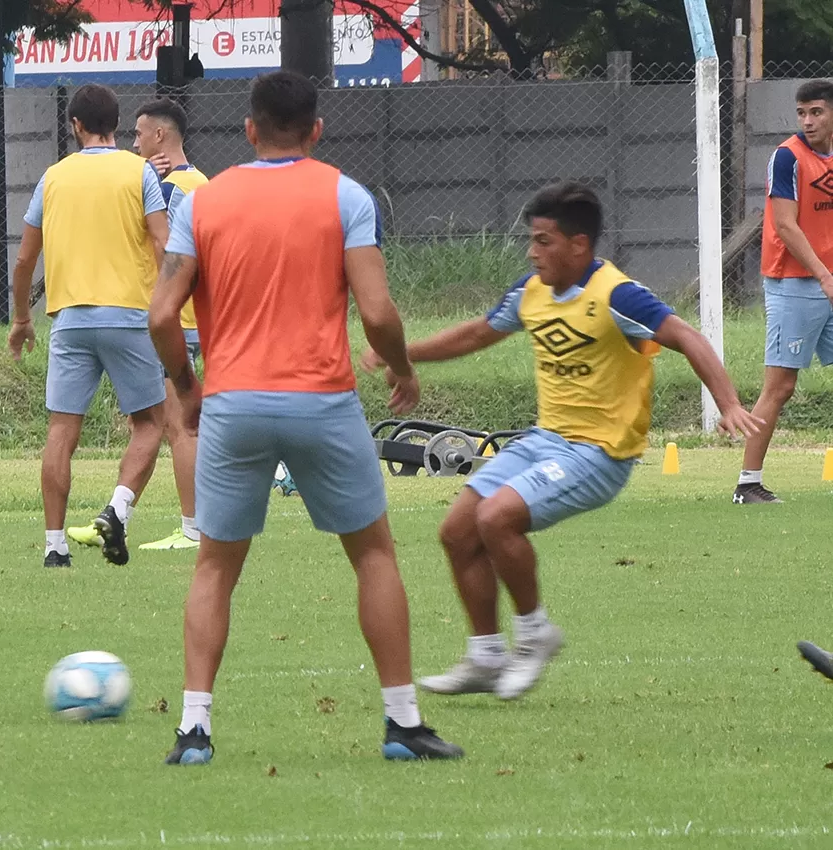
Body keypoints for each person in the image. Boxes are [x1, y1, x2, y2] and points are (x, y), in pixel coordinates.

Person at [150, 70, 464, 764]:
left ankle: (194, 728)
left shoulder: (203, 203)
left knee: (213, 568)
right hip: (323, 400)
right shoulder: (344, 195)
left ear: (249, 129)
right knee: (374, 555)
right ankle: (402, 723)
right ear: (316, 130)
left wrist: (186, 385)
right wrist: (404, 368)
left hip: (233, 404)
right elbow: (378, 312)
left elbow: (161, 313)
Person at [364, 182, 761, 701]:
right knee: (458, 531)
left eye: (544, 241)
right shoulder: (532, 291)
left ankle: (534, 634)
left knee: (495, 518)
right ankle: (485, 656)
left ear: (579, 245)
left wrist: (728, 401)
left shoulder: (617, 295)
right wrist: (404, 353)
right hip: (544, 441)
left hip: (599, 453)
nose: (533, 251)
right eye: (532, 240)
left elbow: (686, 336)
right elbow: (477, 333)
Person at [7, 83, 170, 568]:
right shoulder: (138, 170)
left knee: (61, 431)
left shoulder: (53, 178)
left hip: (70, 318)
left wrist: (20, 319)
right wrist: (167, 303)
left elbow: (22, 261)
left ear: (75, 125)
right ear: (117, 125)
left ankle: (54, 546)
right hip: (129, 315)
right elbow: (163, 243)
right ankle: (116, 510)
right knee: (149, 425)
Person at [733, 79, 833, 504]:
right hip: (795, 284)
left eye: (816, 112)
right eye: (802, 113)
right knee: (780, 386)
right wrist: (824, 276)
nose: (808, 121)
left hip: (828, 279)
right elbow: (787, 227)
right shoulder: (787, 158)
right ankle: (747, 484)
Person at [135, 98, 210, 553]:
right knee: (165, 423)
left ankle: (192, 528)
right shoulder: (201, 181)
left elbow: (157, 248)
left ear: (160, 136)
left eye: (139, 134)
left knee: (181, 426)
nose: (135, 141)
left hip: (174, 321)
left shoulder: (163, 192)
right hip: (196, 317)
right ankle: (117, 513)